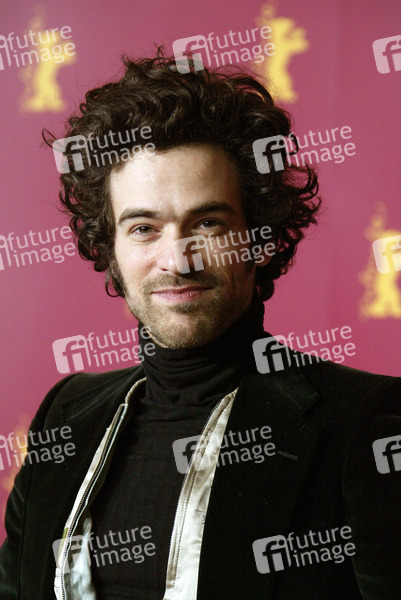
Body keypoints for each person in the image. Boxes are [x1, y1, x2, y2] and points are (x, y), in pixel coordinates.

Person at [1, 48, 400, 600]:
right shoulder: (66, 412)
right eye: (143, 228)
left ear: (259, 237)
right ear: (110, 246)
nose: (176, 260)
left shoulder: (366, 421)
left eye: (208, 222)